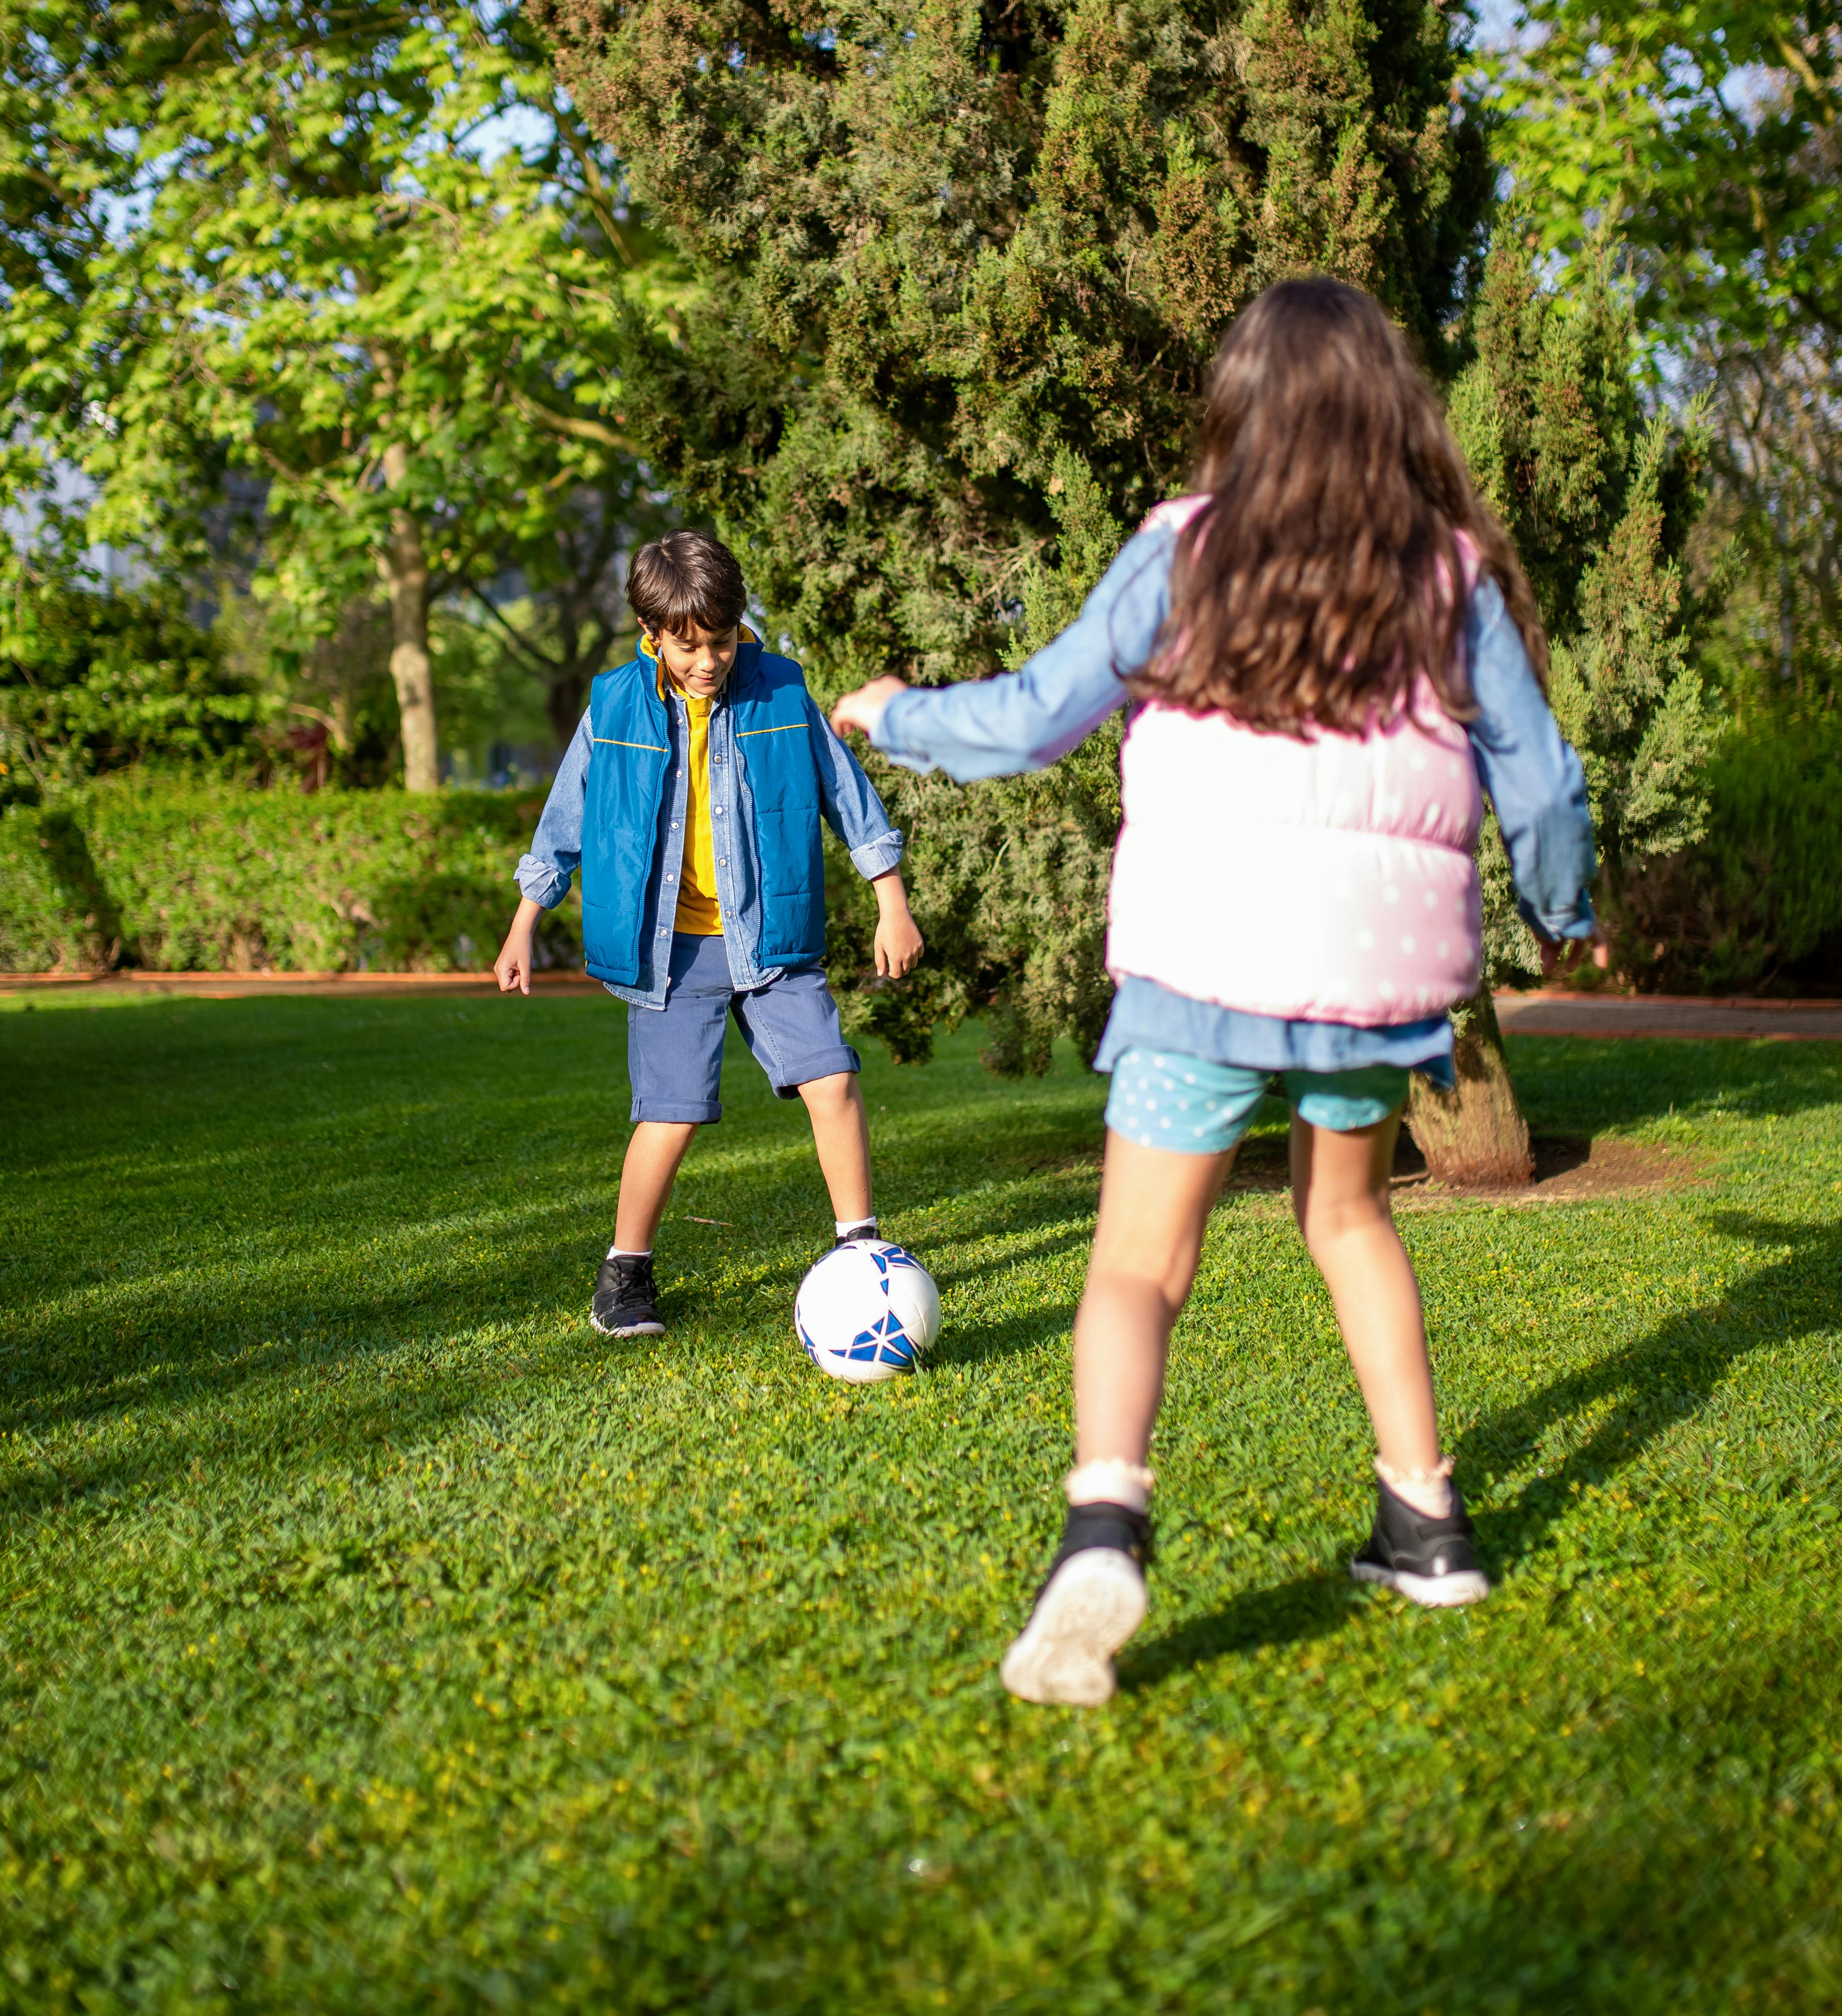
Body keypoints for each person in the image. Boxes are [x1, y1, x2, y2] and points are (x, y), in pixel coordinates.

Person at [832, 277, 1599, 1707]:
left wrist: (891, 716)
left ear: (1238, 410)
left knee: (1137, 1265)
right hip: (1370, 984)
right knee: (1348, 1216)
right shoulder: (1444, 574)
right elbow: (1542, 782)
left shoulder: (1180, 554)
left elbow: (1027, 723)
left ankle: (1104, 1525)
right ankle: (1425, 1522)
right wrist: (1563, 914)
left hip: (1201, 968)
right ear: (1389, 413)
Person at [496, 530, 924, 1340]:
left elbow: (849, 797)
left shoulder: (781, 695)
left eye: (722, 642)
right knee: (672, 1111)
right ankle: (625, 1271)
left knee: (831, 1081)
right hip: (673, 951)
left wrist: (891, 899)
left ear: (739, 628)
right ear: (651, 635)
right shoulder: (614, 706)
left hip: (773, 936)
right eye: (687, 646)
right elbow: (564, 822)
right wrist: (526, 921)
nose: (708, 662)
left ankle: (860, 1249)